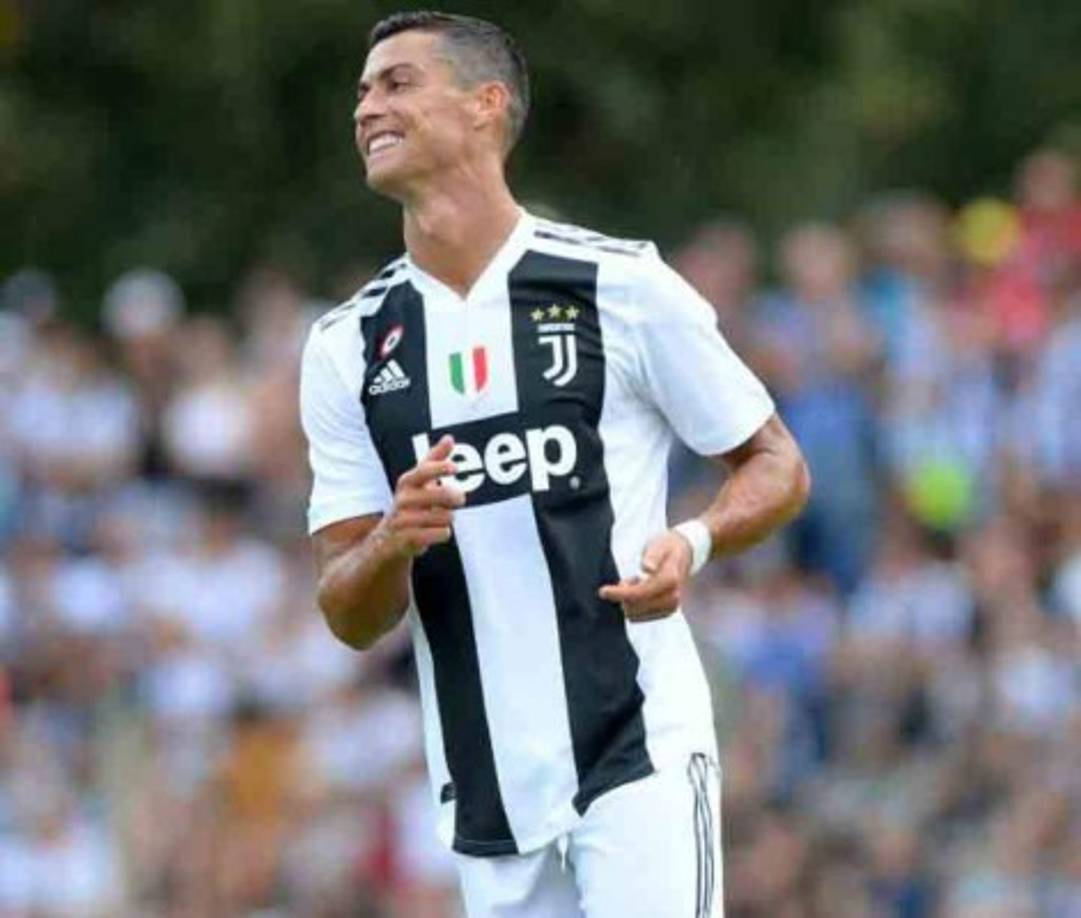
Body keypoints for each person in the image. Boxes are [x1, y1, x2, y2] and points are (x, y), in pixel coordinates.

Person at [299, 11, 810, 917]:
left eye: (397, 83)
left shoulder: (618, 285)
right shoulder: (348, 344)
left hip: (636, 747)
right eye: (362, 92)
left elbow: (774, 463)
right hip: (486, 790)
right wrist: (391, 540)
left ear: (485, 105)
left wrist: (691, 542)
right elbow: (347, 611)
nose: (366, 108)